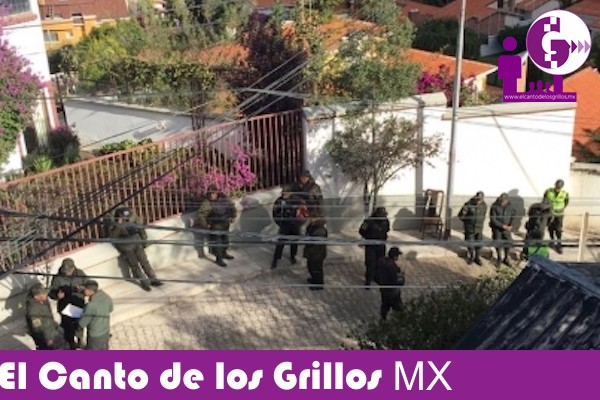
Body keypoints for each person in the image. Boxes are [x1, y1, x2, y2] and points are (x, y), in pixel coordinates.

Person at [108, 207, 163, 291]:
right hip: (126, 247)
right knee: (135, 266)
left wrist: (144, 241)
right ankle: (144, 283)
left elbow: (141, 229)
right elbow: (113, 237)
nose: (126, 219)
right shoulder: (114, 225)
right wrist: (119, 225)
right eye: (123, 217)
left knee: (145, 262)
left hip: (137, 243)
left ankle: (153, 279)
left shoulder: (132, 219)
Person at [48, 258, 87, 349]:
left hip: (78, 304)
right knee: (68, 328)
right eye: (65, 271)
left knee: (79, 325)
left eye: (68, 271)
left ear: (73, 268)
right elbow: (51, 292)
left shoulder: (80, 274)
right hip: (65, 307)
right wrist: (57, 295)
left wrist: (82, 289)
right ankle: (71, 345)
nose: (66, 273)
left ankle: (80, 340)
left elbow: (89, 285)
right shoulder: (57, 278)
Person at [196, 186, 237, 267]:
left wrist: (233, 216)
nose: (212, 195)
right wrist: (205, 225)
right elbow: (201, 215)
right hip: (215, 225)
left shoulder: (224, 198)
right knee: (217, 243)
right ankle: (219, 259)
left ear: (217, 193)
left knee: (225, 241)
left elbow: (232, 206)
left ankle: (224, 253)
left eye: (213, 193)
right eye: (210, 194)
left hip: (225, 223)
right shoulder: (207, 203)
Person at [25, 283, 68, 350]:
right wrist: (47, 339)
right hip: (48, 338)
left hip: (53, 331)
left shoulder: (43, 301)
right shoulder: (33, 309)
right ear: (36, 296)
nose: (46, 294)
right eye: (43, 294)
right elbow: (37, 328)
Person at [271, 185, 303, 269]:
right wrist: (280, 223)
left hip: (295, 225)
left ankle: (293, 257)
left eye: (286, 194)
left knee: (294, 242)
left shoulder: (297, 200)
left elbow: (303, 213)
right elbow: (275, 213)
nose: (284, 195)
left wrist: (299, 224)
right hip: (284, 225)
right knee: (280, 243)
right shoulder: (279, 201)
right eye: (283, 193)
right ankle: (276, 259)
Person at [359, 207, 390, 287]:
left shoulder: (386, 221)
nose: (383, 217)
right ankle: (368, 280)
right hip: (371, 245)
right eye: (381, 215)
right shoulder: (369, 221)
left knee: (380, 262)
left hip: (381, 244)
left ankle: (377, 277)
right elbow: (362, 231)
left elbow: (387, 230)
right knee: (370, 263)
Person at [79, 280, 114, 350]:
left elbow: (82, 323)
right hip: (105, 330)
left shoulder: (91, 305)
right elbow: (110, 309)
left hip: (95, 335)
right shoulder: (106, 297)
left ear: (90, 291)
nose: (83, 290)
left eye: (85, 289)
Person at [374, 247, 404, 320]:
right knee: (398, 308)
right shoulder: (394, 268)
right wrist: (401, 276)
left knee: (385, 306)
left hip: (384, 290)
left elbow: (375, 277)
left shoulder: (381, 262)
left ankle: (383, 320)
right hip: (393, 291)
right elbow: (398, 282)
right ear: (395, 256)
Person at [458, 191, 487, 266]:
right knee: (470, 243)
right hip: (470, 228)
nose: (478, 201)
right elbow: (461, 216)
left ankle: (477, 258)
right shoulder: (468, 205)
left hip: (479, 228)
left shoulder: (484, 205)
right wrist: (468, 222)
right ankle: (471, 256)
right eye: (477, 199)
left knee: (479, 244)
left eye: (480, 200)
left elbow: (484, 215)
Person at [489, 193, 516, 267]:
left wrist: (511, 225)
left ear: (507, 200)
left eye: (504, 201)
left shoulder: (511, 206)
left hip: (507, 228)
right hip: (497, 228)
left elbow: (513, 216)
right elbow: (493, 219)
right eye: (501, 201)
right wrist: (502, 226)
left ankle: (506, 258)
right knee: (498, 242)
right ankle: (499, 258)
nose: (502, 202)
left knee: (508, 242)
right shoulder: (494, 206)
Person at [303, 211, 328, 290]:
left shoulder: (320, 230)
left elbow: (318, 245)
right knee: (310, 267)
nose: (310, 220)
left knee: (316, 269)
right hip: (311, 251)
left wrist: (311, 251)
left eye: (312, 218)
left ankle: (318, 284)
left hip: (317, 254)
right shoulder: (313, 226)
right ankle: (314, 279)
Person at [544, 179, 569, 254]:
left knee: (558, 229)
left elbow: (566, 202)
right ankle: (552, 240)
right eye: (557, 186)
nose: (557, 189)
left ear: (562, 187)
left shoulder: (565, 193)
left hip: (559, 214)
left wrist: (561, 208)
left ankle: (559, 244)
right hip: (550, 213)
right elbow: (544, 200)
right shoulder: (548, 191)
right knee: (550, 228)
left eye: (559, 187)